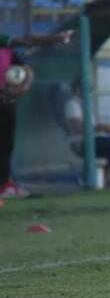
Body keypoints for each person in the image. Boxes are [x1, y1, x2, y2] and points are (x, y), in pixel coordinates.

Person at [0, 29, 73, 197]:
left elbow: (25, 66)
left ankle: (4, 185)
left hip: (6, 104)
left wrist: (22, 86)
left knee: (5, 145)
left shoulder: (6, 48)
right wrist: (51, 39)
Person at [64, 84, 110, 185]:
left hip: (96, 138)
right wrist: (103, 127)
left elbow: (94, 126)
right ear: (78, 89)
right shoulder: (72, 104)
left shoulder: (84, 104)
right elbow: (78, 128)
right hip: (82, 142)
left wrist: (109, 128)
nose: (89, 93)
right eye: (88, 90)